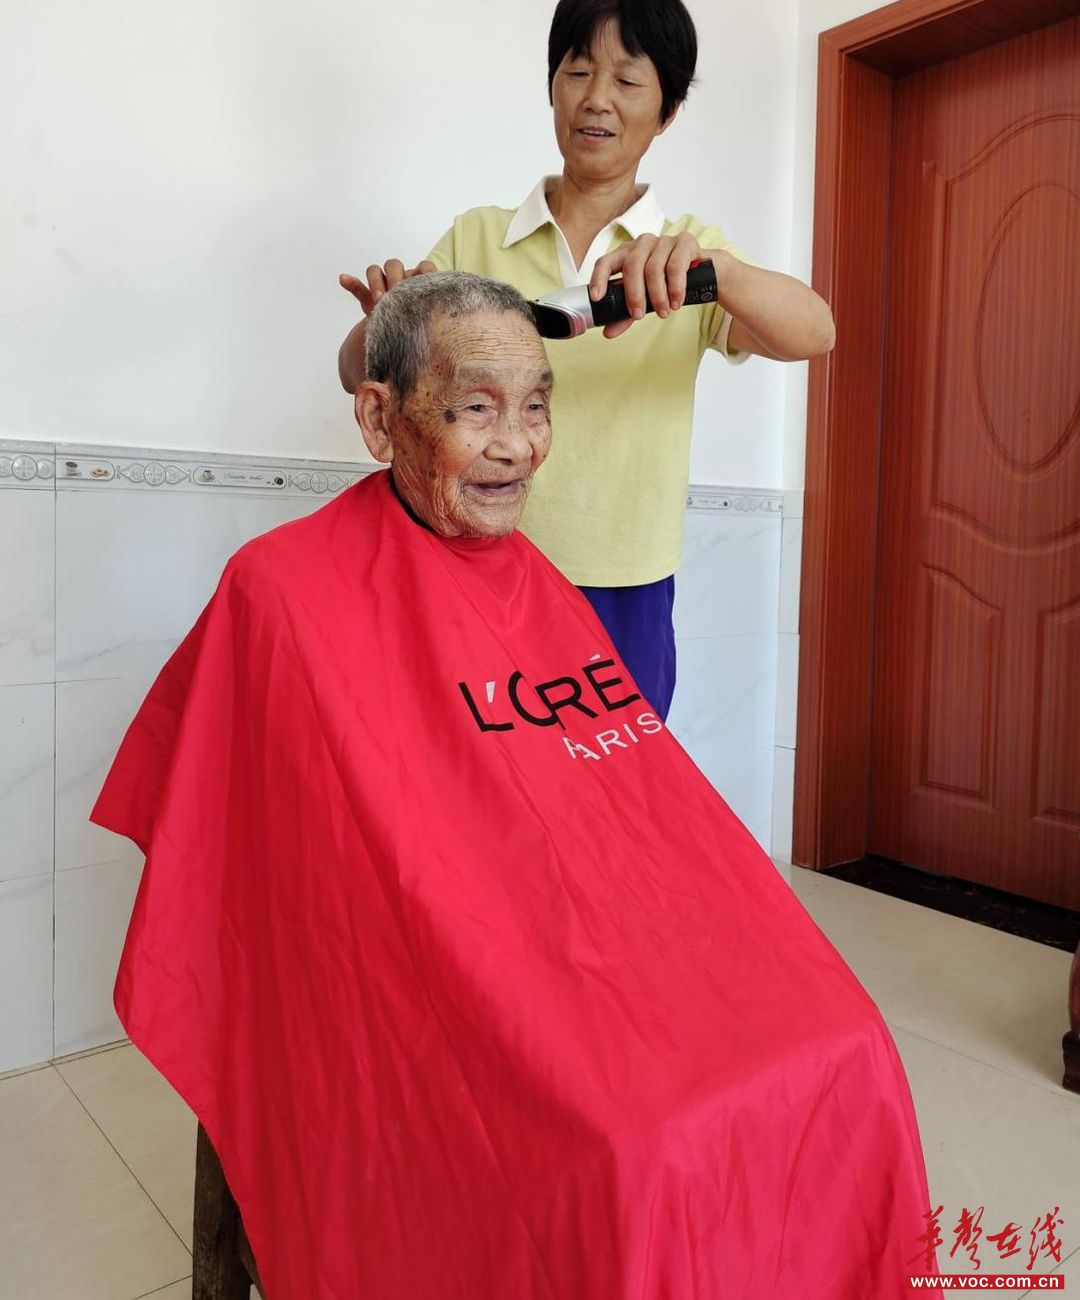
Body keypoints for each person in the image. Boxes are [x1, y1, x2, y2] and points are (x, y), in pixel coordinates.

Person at [94, 273, 932, 1298]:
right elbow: (269, 859)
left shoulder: (537, 587)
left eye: (537, 406)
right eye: (477, 409)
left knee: (848, 1044)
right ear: (381, 420)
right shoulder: (279, 590)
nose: (520, 445)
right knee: (631, 1145)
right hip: (440, 970)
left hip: (595, 952)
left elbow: (624, 825)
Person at [337, 0, 834, 720]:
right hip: (475, 560)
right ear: (552, 88)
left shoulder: (687, 257)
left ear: (666, 112)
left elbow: (816, 332)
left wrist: (719, 272)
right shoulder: (477, 236)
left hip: (626, 580)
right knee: (475, 774)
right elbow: (357, 374)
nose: (597, 98)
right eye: (577, 71)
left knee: (613, 779)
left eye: (627, 80)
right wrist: (380, 323)